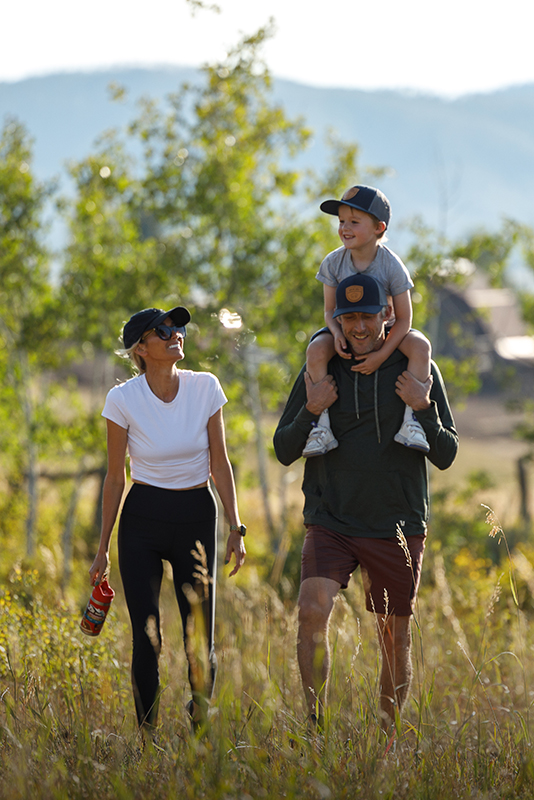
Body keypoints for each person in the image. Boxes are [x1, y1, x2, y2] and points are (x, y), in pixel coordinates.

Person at [273, 273, 458, 732]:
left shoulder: (418, 367)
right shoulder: (321, 366)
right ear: (336, 320)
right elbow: (282, 449)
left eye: (366, 316)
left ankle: (387, 738)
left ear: (387, 316)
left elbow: (447, 454)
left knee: (393, 638)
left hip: (397, 522)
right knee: (312, 611)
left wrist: (424, 406)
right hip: (330, 517)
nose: (357, 326)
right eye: (348, 317)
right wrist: (311, 408)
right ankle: (315, 726)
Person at [89, 305, 246, 736]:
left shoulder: (205, 388)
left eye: (178, 327)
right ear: (140, 347)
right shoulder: (122, 400)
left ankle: (200, 738)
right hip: (142, 520)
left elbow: (220, 461)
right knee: (146, 636)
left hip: (196, 516)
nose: (176, 333)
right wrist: (102, 549)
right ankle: (148, 739)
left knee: (200, 637)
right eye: (163, 330)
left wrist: (236, 527)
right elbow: (115, 476)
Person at [302, 184, 432, 457]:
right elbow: (329, 310)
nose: (344, 228)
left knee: (420, 347)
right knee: (315, 350)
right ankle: (321, 426)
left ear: (379, 228)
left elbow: (405, 318)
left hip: (386, 329)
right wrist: (336, 334)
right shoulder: (332, 263)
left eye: (354, 222)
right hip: (343, 327)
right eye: (341, 222)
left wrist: (382, 355)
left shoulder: (391, 265)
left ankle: (412, 421)